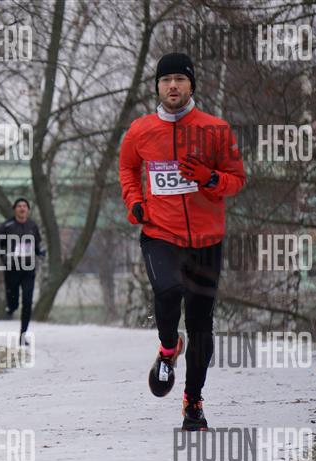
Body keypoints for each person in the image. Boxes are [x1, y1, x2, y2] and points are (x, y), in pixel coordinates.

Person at [118, 53, 245, 431]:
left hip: (206, 240)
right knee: (169, 290)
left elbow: (237, 179)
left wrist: (209, 178)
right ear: (157, 87)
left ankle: (193, 400)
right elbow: (128, 167)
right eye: (165, 80)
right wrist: (135, 202)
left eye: (180, 79)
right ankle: (169, 347)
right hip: (159, 233)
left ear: (191, 85)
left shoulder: (215, 129)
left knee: (202, 323)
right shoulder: (140, 130)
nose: (172, 86)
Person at [0, 198, 45, 346]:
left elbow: (37, 244)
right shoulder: (7, 226)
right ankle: (11, 306)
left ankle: (23, 335)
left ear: (28, 210)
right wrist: (4, 256)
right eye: (19, 206)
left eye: (25, 206)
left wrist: (40, 252)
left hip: (28, 269)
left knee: (27, 301)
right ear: (15, 209)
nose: (22, 208)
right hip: (12, 268)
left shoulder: (32, 225)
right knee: (14, 302)